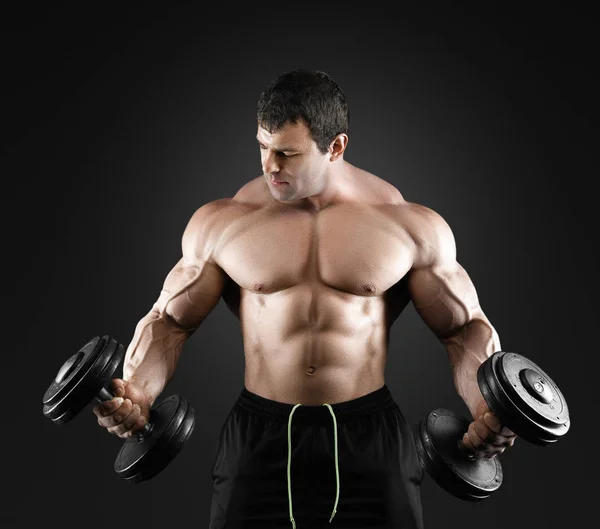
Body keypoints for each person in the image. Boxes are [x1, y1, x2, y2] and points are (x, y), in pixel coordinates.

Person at [93, 70, 517, 528]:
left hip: (369, 437)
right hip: (259, 437)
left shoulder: (406, 225)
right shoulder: (224, 222)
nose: (269, 165)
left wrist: (487, 406)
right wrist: (136, 391)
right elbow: (169, 322)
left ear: (335, 147)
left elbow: (463, 329)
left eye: (287, 153)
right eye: (262, 146)